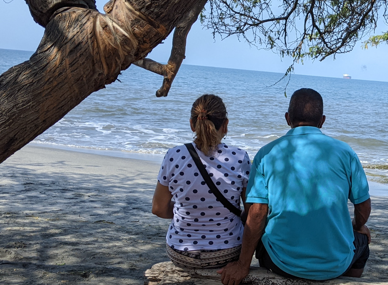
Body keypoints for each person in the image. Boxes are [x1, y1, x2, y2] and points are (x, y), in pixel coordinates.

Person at [218, 88, 371, 285]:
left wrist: (242, 265)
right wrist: (358, 226)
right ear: (322, 121)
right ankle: (344, 281)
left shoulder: (266, 153)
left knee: (264, 233)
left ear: (287, 118)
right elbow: (363, 207)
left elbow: (256, 214)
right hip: (336, 264)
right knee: (362, 243)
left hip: (281, 262)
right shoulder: (345, 152)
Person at [151, 94, 251, 269]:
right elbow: (250, 210)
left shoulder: (174, 155)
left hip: (180, 253)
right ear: (225, 125)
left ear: (192, 124)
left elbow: (158, 209)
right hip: (227, 252)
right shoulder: (240, 157)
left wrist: (187, 212)